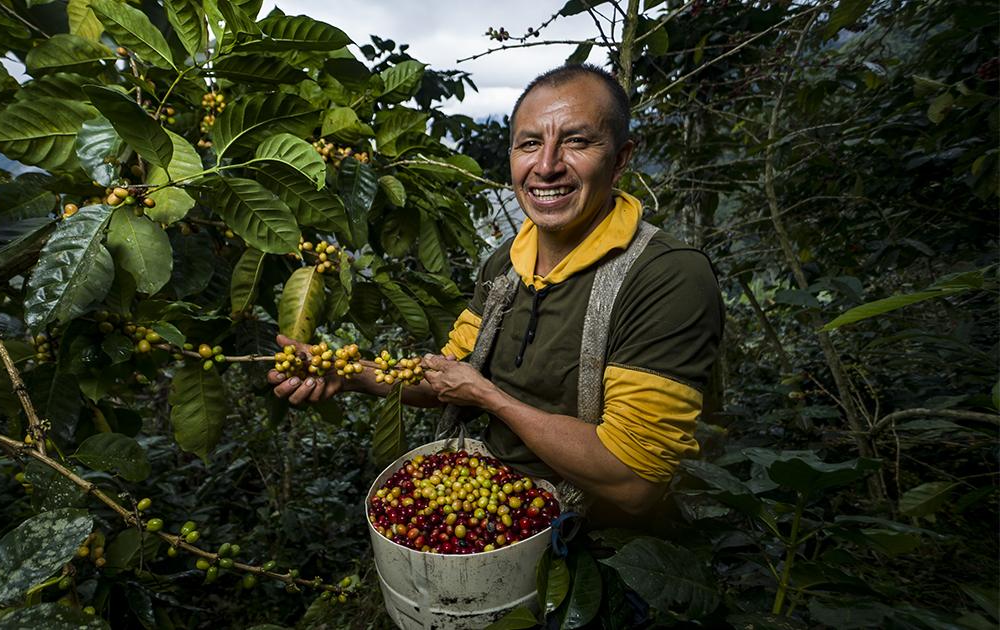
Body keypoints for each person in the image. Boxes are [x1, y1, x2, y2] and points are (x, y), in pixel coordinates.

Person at [269, 63, 723, 523]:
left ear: (622, 157)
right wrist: (349, 372)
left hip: (597, 545)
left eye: (577, 141)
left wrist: (490, 398)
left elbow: (635, 481)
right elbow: (451, 377)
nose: (546, 167)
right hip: (493, 510)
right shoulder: (505, 263)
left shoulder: (666, 276)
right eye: (529, 144)